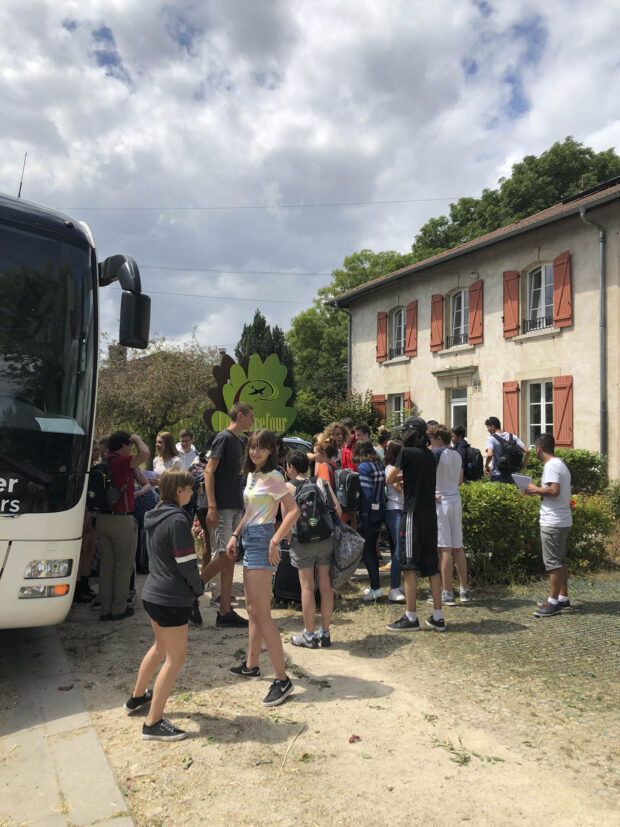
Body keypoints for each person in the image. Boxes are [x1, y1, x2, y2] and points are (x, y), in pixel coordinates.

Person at [125, 468, 204, 741]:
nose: (193, 493)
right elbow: (186, 564)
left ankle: (137, 698)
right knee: (176, 657)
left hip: (153, 593)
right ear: (179, 490)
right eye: (191, 488)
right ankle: (153, 722)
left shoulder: (155, 516)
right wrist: (198, 587)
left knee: (160, 648)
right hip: (171, 597)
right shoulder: (178, 521)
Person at [226, 430, 299, 707]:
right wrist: (235, 534)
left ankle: (282, 679)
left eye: (261, 448)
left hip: (263, 540)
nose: (255, 452)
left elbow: (292, 511)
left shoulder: (274, 477)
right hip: (250, 538)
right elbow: (250, 512)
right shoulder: (252, 475)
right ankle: (251, 664)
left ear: (271, 451)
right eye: (253, 447)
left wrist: (275, 539)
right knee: (253, 611)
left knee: (263, 614)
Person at [385, 417, 446, 632]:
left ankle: (411, 616)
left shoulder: (406, 452)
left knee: (409, 565)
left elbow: (389, 478)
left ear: (410, 433)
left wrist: (401, 475)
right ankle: (438, 616)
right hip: (430, 514)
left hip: (412, 513)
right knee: (431, 566)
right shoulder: (430, 454)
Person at [202, 403, 254, 628]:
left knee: (229, 556)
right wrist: (211, 506)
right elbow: (208, 471)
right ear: (240, 416)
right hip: (221, 506)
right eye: (250, 417)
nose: (252, 421)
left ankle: (225, 610)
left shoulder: (239, 441)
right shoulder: (224, 438)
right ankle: (188, 592)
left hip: (234, 506)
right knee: (224, 554)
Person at [284, 451, 341, 649]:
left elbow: (286, 520)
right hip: (325, 539)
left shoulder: (288, 488)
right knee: (325, 587)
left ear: (291, 467)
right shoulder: (322, 483)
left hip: (303, 541)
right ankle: (325, 633)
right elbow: (338, 511)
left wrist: (290, 541)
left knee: (307, 587)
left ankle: (308, 634)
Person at [96, 431, 149, 621]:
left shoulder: (104, 462)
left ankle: (105, 609)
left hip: (102, 519)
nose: (131, 449)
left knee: (107, 566)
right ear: (123, 446)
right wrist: (136, 438)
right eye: (129, 445)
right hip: (121, 519)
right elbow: (145, 454)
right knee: (123, 566)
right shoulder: (121, 461)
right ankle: (118, 609)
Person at [526, 434, 573, 617]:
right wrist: (538, 492)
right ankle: (563, 598)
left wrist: (536, 489)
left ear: (538, 448)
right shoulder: (560, 464)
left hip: (553, 521)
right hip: (561, 518)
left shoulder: (551, 465)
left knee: (553, 563)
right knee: (559, 561)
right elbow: (554, 491)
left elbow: (554, 490)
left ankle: (552, 603)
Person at [428, 425, 470, 606]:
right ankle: (464, 589)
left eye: (430, 440)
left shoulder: (436, 454)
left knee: (444, 549)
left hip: (442, 502)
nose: (429, 444)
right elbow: (460, 480)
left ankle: (447, 592)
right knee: (458, 547)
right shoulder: (457, 454)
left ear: (437, 438)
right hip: (455, 499)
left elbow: (427, 477)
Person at [354, 438, 385, 601]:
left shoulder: (364, 467)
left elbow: (366, 493)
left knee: (367, 551)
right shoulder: (378, 464)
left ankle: (375, 587)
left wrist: (363, 516)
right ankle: (375, 585)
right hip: (380, 509)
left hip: (369, 512)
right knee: (372, 548)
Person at [383, 439, 405, 603]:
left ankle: (400, 584)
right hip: (394, 509)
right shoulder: (390, 469)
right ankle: (394, 587)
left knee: (403, 548)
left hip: (403, 509)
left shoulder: (398, 469)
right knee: (398, 548)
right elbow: (399, 487)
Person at [484, 417, 529, 484]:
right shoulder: (512, 436)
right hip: (511, 474)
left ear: (492, 426)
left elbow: (490, 454)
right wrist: (522, 467)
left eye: (488, 427)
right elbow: (527, 451)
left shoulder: (490, 438)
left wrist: (486, 465)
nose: (487, 430)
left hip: (497, 474)